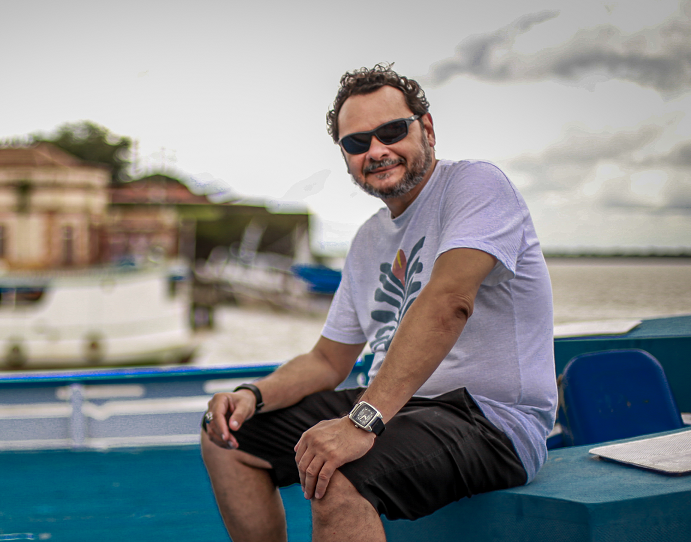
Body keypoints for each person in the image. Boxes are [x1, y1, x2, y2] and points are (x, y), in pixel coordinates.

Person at [200, 63, 557, 542]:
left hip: (492, 420)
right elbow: (327, 360)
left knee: (339, 475)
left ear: (426, 128)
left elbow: (449, 300)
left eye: (392, 131)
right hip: (400, 408)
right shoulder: (369, 240)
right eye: (357, 142)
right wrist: (252, 396)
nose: (377, 150)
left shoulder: (475, 185)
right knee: (227, 438)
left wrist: (361, 421)